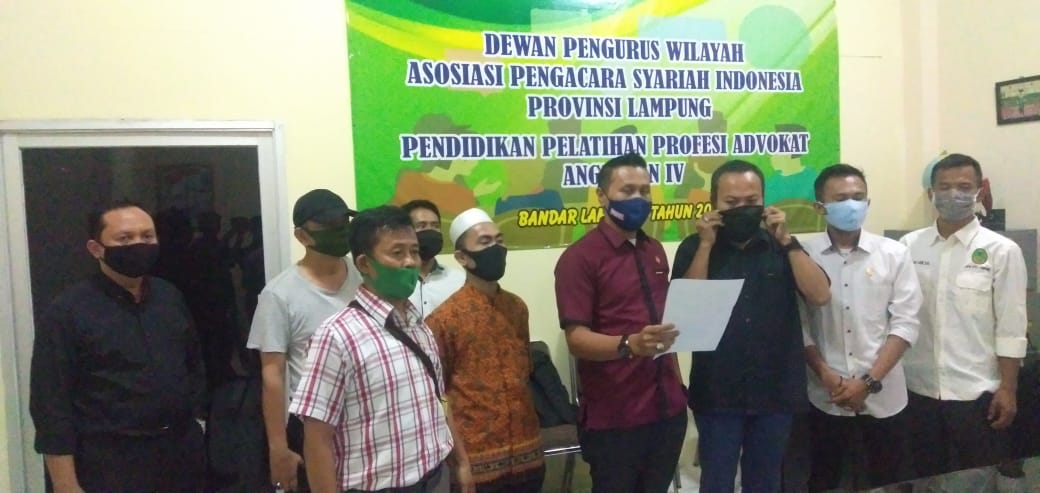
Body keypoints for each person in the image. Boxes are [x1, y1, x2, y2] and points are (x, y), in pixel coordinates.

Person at [672, 159, 830, 493]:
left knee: (765, 482)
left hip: (776, 391)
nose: (742, 209)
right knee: (716, 482)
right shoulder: (694, 247)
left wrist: (787, 241)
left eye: (752, 201)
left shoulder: (781, 245)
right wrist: (705, 244)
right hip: (717, 392)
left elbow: (819, 295)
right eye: (731, 203)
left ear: (764, 202)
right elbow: (687, 316)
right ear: (714, 204)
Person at [30, 200, 207, 493]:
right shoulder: (68, 312)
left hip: (180, 456)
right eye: (124, 238)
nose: (139, 244)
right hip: (109, 463)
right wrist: (65, 484)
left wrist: (198, 420)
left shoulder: (169, 297)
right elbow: (51, 405)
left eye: (147, 236)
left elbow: (193, 364)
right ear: (96, 248)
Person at [290, 205, 468, 493]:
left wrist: (460, 463)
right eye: (397, 253)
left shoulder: (420, 328)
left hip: (436, 479)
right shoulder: (336, 336)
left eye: (414, 251)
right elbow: (317, 439)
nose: (410, 261)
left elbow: (439, 400)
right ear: (364, 263)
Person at [554, 152, 688, 493]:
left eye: (645, 191)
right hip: (616, 417)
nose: (638, 199)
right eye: (627, 190)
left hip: (667, 410)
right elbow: (576, 339)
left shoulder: (654, 249)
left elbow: (664, 325)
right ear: (602, 196)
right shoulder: (579, 258)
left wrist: (678, 383)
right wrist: (630, 344)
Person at [899, 153, 1027, 490]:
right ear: (931, 193)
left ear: (979, 192)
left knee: (980, 477)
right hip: (918, 389)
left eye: (964, 186)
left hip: (978, 393)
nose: (953, 194)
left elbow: (1012, 327)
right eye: (944, 187)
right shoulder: (907, 246)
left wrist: (1008, 389)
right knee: (924, 477)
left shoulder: (1002, 250)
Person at [799, 164, 922, 491]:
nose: (852, 205)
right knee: (823, 479)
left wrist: (868, 381)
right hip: (826, 393)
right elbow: (799, 325)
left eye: (858, 197)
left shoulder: (894, 253)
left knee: (889, 480)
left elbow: (906, 322)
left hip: (884, 393)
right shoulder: (802, 254)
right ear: (820, 207)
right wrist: (825, 373)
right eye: (841, 199)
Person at [246, 189, 363, 492]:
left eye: (344, 223)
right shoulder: (279, 295)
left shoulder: (365, 276)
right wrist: (278, 448)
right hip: (314, 427)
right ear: (302, 235)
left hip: (366, 419)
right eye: (330, 226)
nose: (341, 231)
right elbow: (272, 374)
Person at [425, 208, 545, 492]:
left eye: (499, 240)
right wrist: (460, 463)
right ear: (462, 257)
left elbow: (524, 372)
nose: (496, 248)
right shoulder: (444, 320)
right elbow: (438, 396)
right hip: (476, 462)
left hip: (528, 454)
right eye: (485, 242)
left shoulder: (517, 307)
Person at [401, 199, 464, 318]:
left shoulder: (459, 281)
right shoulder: (392, 281)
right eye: (421, 226)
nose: (430, 231)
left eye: (435, 226)